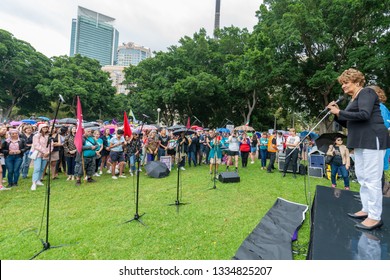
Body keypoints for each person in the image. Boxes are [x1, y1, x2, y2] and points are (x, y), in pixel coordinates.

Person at [327, 68, 390, 230]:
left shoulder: (367, 93)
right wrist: (336, 114)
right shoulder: (353, 99)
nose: (343, 86)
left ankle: (375, 217)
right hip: (360, 141)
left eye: (345, 83)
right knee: (362, 177)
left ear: (356, 82)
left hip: (372, 139)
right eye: (342, 84)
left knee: (372, 179)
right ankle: (366, 209)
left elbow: (364, 115)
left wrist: (340, 111)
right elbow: (349, 123)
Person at [31, 123, 51, 190]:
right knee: (37, 168)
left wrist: (48, 152)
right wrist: (44, 151)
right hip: (38, 154)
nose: (45, 129)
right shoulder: (36, 136)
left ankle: (38, 180)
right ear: (40, 128)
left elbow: (51, 145)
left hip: (46, 155)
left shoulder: (48, 136)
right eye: (44, 127)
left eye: (46, 127)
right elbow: (36, 145)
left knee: (42, 168)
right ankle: (34, 182)